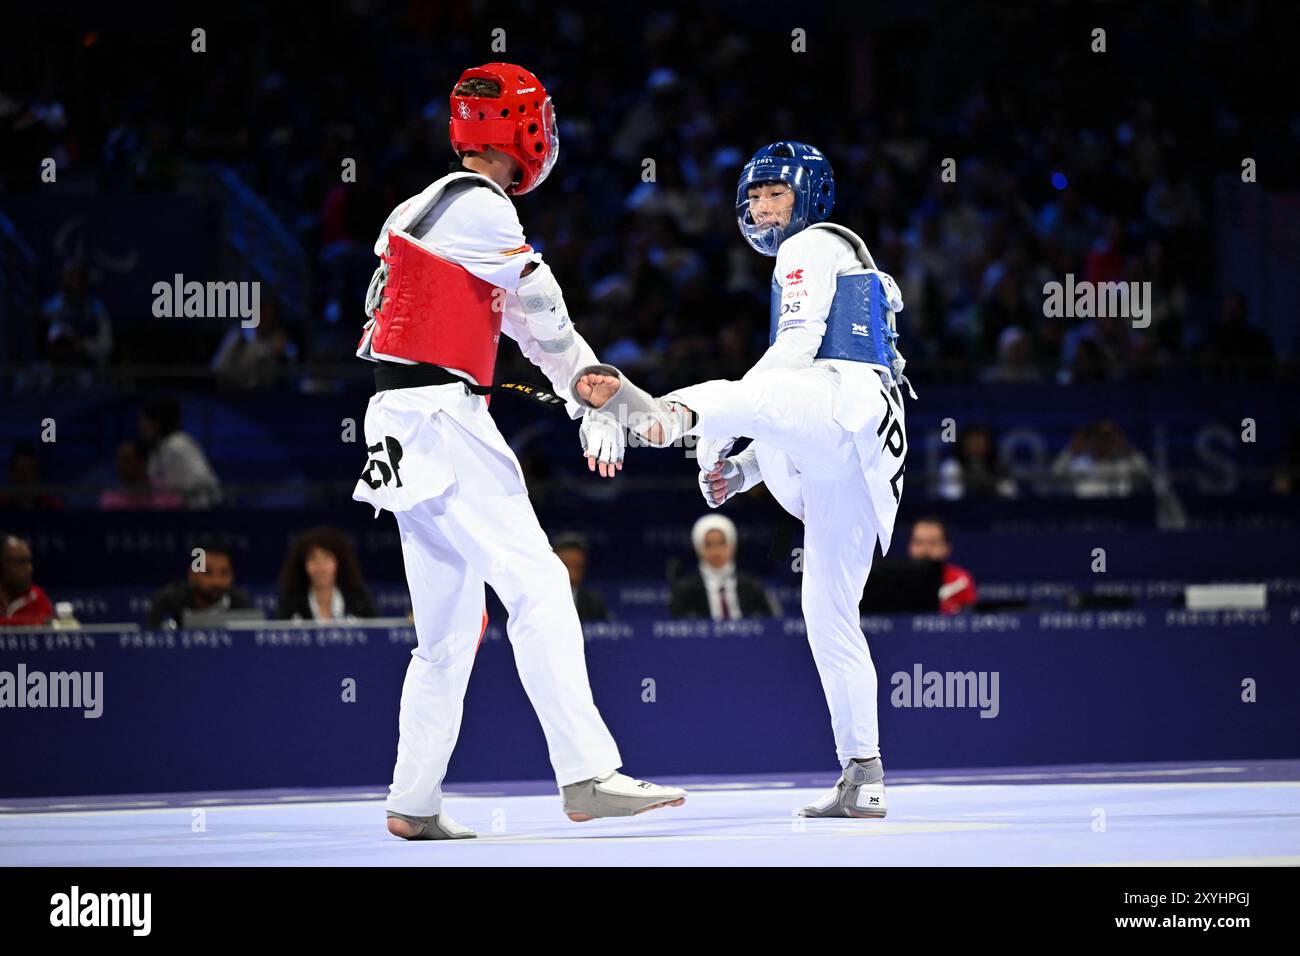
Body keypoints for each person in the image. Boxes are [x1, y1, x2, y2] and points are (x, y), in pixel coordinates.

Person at [352, 63, 685, 841]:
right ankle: (587, 774)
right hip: (442, 419)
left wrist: (600, 400)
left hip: (399, 421)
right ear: (527, 130)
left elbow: (528, 336)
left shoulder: (422, 205)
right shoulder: (484, 210)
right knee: (538, 587)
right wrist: (630, 407)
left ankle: (414, 799)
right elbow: (550, 323)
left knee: (447, 633)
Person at [574, 141, 912, 819]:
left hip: (848, 406)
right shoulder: (847, 258)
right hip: (866, 453)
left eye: (775, 195)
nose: (762, 207)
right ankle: (864, 773)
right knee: (830, 617)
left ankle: (666, 416)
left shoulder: (809, 246)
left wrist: (715, 428)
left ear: (808, 198)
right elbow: (808, 415)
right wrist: (747, 465)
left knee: (739, 397)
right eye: (754, 197)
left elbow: (791, 357)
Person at [670, 514, 781, 620]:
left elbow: (772, 623)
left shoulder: (752, 586)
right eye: (708, 544)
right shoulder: (684, 590)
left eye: (722, 543)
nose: (716, 551)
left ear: (732, 545)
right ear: (698, 548)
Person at [276, 526, 377, 622]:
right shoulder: (290, 602)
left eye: (327, 557)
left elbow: (378, 634)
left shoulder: (359, 599)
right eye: (312, 558)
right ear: (302, 564)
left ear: (339, 562)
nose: (320, 567)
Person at [138, 397, 222, 508]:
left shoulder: (177, 445)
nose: (141, 427)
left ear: (157, 422)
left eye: (144, 421)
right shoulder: (158, 449)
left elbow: (203, 486)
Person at [148, 539, 253, 629]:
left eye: (224, 573)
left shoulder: (242, 604)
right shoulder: (169, 601)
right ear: (192, 574)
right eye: (208, 572)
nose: (216, 581)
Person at [907, 518, 977, 614]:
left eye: (933, 543)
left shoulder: (961, 580)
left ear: (947, 548)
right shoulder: (896, 581)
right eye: (919, 542)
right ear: (910, 547)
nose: (925, 549)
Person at [551, 532, 610, 622]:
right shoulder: (538, 600)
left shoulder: (594, 604)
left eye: (577, 567)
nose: (571, 574)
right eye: (566, 566)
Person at [0, 534, 55, 626]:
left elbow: (47, 623)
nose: (29, 569)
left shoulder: (37, 597)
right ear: (2, 565)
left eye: (29, 562)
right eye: (20, 562)